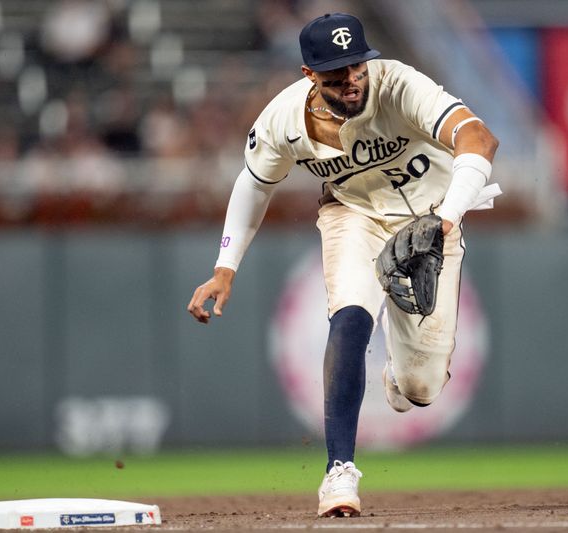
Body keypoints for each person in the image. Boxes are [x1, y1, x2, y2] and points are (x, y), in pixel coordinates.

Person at [188, 13, 500, 518]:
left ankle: (402, 378)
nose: (352, 80)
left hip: (432, 221)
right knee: (350, 316)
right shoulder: (283, 119)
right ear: (309, 75)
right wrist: (225, 266)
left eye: (357, 66)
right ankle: (339, 472)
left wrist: (448, 215)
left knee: (421, 389)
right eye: (336, 74)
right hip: (351, 214)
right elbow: (254, 184)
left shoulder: (397, 85)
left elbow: (479, 138)